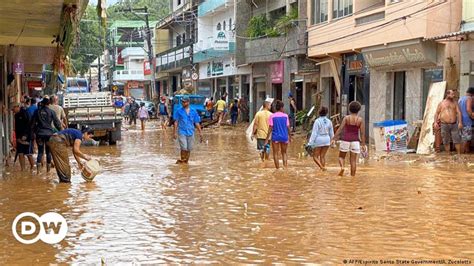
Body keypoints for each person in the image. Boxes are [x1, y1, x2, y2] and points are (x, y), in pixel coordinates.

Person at [332, 101, 366, 177]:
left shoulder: (346, 118)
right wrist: (363, 144)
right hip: (355, 142)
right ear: (359, 110)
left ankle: (342, 168)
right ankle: (352, 178)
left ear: (349, 109)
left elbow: (340, 129)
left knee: (341, 157)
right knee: (353, 161)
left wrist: (334, 138)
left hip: (345, 140)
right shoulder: (360, 120)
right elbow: (362, 133)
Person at [31, 98, 61, 173]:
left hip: (40, 134)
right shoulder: (52, 112)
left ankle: (38, 172)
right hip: (49, 134)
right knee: (48, 152)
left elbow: (32, 124)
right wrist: (61, 131)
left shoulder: (37, 112)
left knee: (40, 152)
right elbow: (57, 123)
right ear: (49, 104)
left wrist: (34, 132)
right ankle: (48, 172)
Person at [173, 95, 203, 164]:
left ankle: (185, 162)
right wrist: (174, 133)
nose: (183, 103)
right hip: (182, 131)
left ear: (188, 102)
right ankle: (183, 161)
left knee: (189, 148)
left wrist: (200, 133)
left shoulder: (193, 111)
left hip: (191, 132)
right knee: (184, 147)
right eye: (182, 102)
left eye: (184, 102)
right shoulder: (179, 111)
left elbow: (197, 123)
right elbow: (176, 122)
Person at [434, 89, 463, 155]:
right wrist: (435, 122)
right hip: (444, 124)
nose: (453, 95)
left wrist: (460, 122)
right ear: (447, 94)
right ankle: (448, 154)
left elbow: (459, 113)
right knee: (446, 140)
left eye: (453, 94)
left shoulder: (455, 103)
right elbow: (436, 113)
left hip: (454, 124)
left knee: (457, 139)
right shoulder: (441, 103)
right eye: (452, 94)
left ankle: (459, 154)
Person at [264, 100, 291, 169]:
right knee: (284, 153)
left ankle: (277, 169)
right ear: (281, 108)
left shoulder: (272, 116)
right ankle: (285, 168)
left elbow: (270, 128)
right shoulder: (286, 116)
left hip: (275, 137)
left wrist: (267, 139)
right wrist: (290, 137)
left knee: (275, 153)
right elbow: (288, 127)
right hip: (284, 137)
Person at [308, 106, 334, 171]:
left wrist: (310, 143)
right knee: (322, 156)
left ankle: (322, 168)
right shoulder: (329, 121)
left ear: (319, 112)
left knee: (315, 157)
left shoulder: (317, 121)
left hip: (319, 140)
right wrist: (333, 142)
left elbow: (314, 133)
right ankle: (322, 170)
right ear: (326, 113)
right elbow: (332, 133)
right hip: (327, 140)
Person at [12, 103, 34, 171]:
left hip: (27, 137)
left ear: (18, 107)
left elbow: (29, 125)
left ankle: (32, 168)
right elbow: (16, 127)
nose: (13, 110)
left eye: (14, 108)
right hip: (19, 138)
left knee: (28, 154)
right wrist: (16, 138)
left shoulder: (25, 113)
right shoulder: (16, 115)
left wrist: (26, 135)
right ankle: (23, 169)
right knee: (20, 153)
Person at [458, 87, 474, 153]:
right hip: (467, 122)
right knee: (466, 139)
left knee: (464, 139)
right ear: (472, 93)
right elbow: (468, 109)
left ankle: (465, 153)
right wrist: (472, 116)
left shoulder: (461, 99)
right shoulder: (469, 98)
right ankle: (463, 155)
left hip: (461, 121)